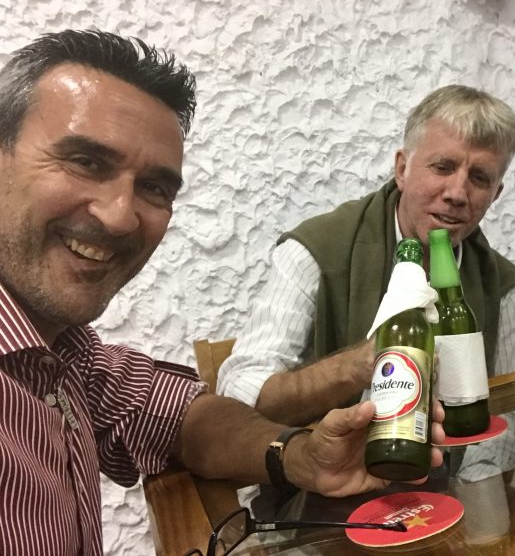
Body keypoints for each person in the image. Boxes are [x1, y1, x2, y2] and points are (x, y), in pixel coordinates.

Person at [0, 29, 445, 556]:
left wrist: (302, 456)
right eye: (85, 161)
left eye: (155, 188)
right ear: (401, 168)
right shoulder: (315, 246)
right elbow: (246, 382)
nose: (121, 216)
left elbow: (181, 416)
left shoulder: (66, 352)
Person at [218, 84, 515, 428]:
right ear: (402, 169)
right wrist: (353, 367)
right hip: (327, 475)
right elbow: (237, 394)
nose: (457, 193)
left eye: (479, 178)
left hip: (450, 478)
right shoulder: (317, 250)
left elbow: (511, 405)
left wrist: (476, 482)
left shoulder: (498, 282)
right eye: (442, 167)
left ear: (495, 194)